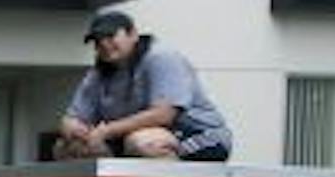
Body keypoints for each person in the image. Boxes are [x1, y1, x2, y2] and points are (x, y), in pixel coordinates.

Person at [56, 10, 233, 163]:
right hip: (131, 138)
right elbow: (72, 118)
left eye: (110, 36)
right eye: (97, 40)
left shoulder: (161, 58)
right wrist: (73, 129)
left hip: (201, 136)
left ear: (133, 34)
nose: (103, 44)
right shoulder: (98, 73)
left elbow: (164, 114)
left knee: (143, 143)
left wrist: (106, 131)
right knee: (68, 149)